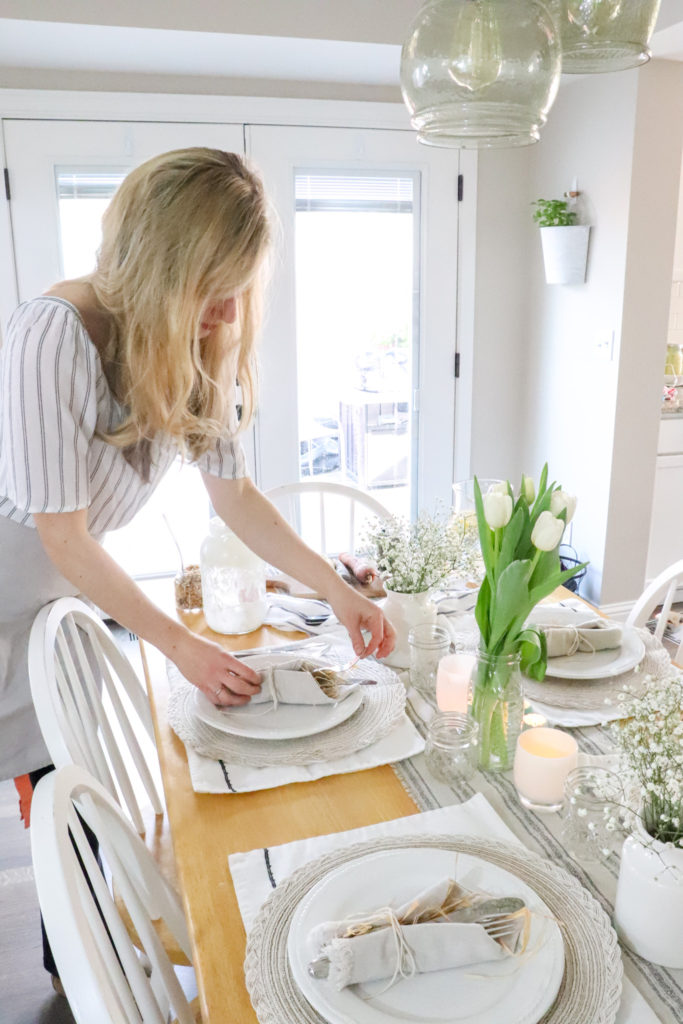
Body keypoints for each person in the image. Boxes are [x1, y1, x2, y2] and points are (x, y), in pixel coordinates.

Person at [0, 148, 395, 983]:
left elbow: (237, 496)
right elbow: (63, 537)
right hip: (12, 582)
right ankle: (77, 969)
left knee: (53, 792)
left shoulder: (197, 336)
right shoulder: (52, 334)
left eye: (239, 286)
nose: (225, 311)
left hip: (48, 597)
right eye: (212, 284)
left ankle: (75, 964)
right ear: (158, 260)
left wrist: (335, 589)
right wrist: (180, 649)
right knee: (47, 795)